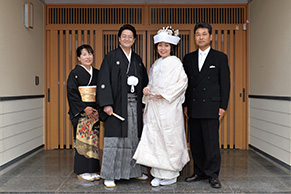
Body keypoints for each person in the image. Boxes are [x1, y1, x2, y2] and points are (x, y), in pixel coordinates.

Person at [133, 27, 189, 187]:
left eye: (166, 45)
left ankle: (171, 174)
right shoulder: (155, 64)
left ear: (172, 47)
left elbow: (182, 83)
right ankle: (158, 173)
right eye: (160, 45)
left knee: (169, 138)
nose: (163, 48)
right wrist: (147, 90)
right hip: (155, 108)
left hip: (169, 108)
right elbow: (152, 83)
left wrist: (163, 94)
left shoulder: (176, 62)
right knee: (155, 139)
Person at [97, 24, 149, 188]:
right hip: (117, 106)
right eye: (124, 36)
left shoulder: (137, 59)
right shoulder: (111, 57)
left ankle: (134, 172)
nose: (127, 39)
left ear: (134, 40)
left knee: (134, 138)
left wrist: (143, 102)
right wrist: (106, 104)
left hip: (134, 105)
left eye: (130, 36)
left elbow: (144, 82)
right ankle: (110, 174)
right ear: (119, 38)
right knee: (115, 139)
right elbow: (103, 81)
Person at [183, 22, 230, 189]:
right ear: (194, 37)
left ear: (210, 37)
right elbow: (185, 85)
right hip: (194, 107)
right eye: (197, 34)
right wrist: (186, 106)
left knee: (211, 143)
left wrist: (223, 106)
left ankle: (213, 175)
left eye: (204, 34)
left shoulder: (220, 57)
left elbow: (225, 84)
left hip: (211, 107)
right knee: (195, 142)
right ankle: (199, 172)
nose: (201, 37)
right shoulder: (188, 58)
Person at [67, 44, 101, 182]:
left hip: (94, 112)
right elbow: (71, 93)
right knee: (82, 142)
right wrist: (84, 108)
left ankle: (93, 169)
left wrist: (99, 108)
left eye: (90, 54)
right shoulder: (74, 74)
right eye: (84, 54)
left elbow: (102, 92)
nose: (88, 57)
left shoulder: (98, 73)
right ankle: (82, 170)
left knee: (93, 141)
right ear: (78, 58)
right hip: (82, 111)